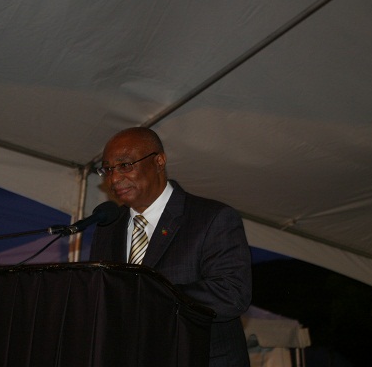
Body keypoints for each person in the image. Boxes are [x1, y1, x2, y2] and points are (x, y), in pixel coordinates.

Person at [89, 127, 252, 367]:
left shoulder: (211, 218)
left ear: (159, 161)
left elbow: (232, 293)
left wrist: (150, 297)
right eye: (108, 169)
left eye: (125, 165)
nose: (114, 179)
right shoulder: (108, 228)